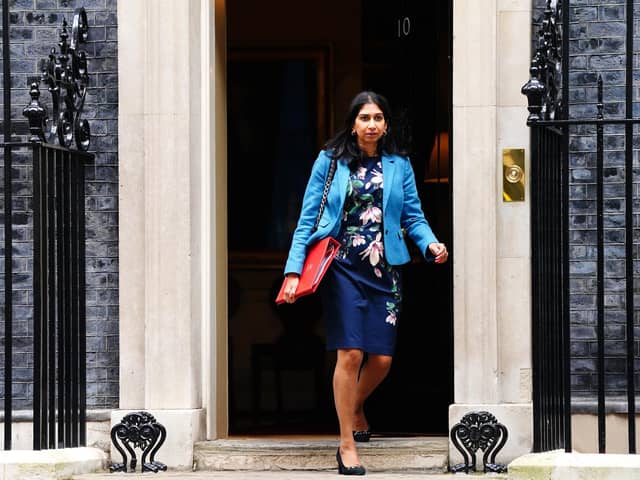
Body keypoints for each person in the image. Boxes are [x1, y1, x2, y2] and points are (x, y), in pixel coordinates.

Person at [280, 91, 448, 475]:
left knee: (382, 360)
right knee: (350, 353)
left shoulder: (399, 164)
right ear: (352, 123)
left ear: (386, 124)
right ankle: (345, 443)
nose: (371, 124)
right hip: (341, 265)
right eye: (364, 118)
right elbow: (309, 219)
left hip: (385, 268)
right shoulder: (330, 161)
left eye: (378, 118)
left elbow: (413, 216)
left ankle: (354, 405)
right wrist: (293, 270)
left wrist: (430, 243)